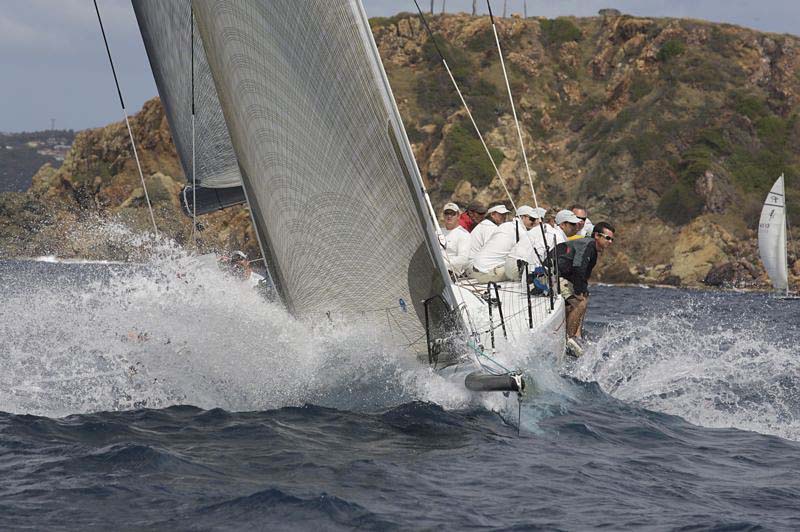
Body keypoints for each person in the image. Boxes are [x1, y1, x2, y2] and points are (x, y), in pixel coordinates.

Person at [557, 221, 616, 357]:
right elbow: (578, 267)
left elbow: (583, 274)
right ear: (596, 236)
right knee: (580, 303)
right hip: (554, 275)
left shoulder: (593, 250)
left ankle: (576, 336)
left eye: (612, 239)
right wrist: (578, 291)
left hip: (565, 277)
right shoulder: (588, 245)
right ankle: (569, 339)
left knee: (584, 297)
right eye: (607, 238)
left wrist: (582, 289)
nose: (610, 241)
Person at [468, 204, 513, 282]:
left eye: (505, 214)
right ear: (492, 214)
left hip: (472, 266)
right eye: (501, 214)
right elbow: (492, 252)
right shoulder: (490, 228)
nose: (504, 217)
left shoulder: (485, 224)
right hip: (475, 268)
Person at [505, 206, 551, 280]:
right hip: (517, 268)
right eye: (531, 219)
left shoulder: (530, 232)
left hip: (509, 266)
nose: (532, 222)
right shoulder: (545, 231)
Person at [440, 202, 470, 276]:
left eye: (453, 214)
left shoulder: (463, 234)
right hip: (434, 271)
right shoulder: (437, 232)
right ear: (443, 215)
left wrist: (442, 264)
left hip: (452, 274)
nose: (449, 216)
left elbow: (463, 259)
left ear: (458, 216)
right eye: (447, 213)